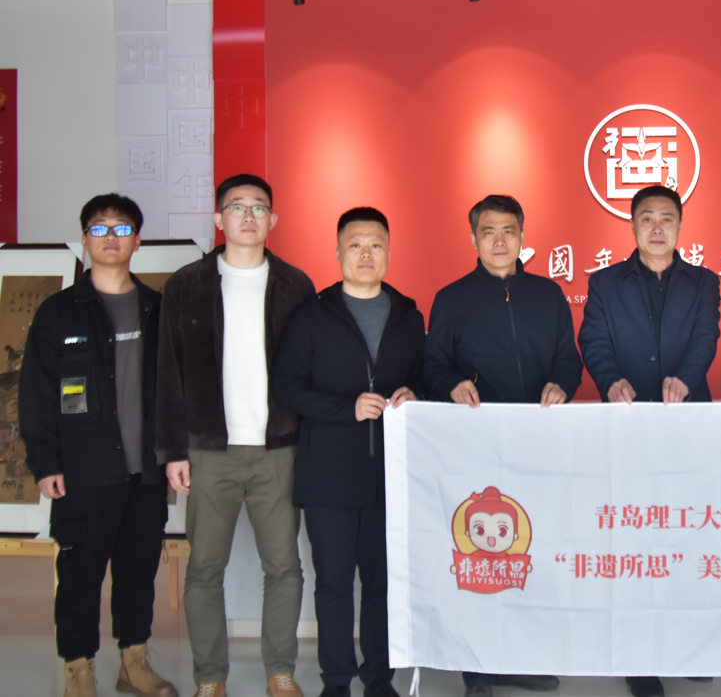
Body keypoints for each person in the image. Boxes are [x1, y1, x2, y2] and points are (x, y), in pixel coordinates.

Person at [155, 174, 315, 697]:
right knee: (204, 569)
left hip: (278, 449)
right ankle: (210, 677)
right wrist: (173, 451)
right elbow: (168, 373)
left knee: (284, 567)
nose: (248, 216)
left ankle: (280, 670)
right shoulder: (185, 286)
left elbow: (310, 371)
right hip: (209, 451)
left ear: (273, 219)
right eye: (237, 206)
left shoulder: (296, 286)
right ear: (218, 218)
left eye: (258, 207)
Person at [422, 194, 583, 697]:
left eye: (508, 230)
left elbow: (569, 359)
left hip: (539, 446)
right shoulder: (452, 298)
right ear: (473, 238)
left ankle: (519, 658)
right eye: (488, 231)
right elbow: (432, 365)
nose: (499, 240)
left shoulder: (548, 294)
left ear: (522, 237)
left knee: (531, 555)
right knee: (482, 560)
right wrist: (451, 385)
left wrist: (561, 384)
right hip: (476, 448)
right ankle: (478, 671)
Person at [21, 194, 177, 697]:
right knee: (79, 576)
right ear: (84, 240)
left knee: (138, 573)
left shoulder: (158, 309)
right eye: (100, 228)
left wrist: (176, 452)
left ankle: (134, 663)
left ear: (138, 240)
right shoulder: (58, 313)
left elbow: (176, 389)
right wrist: (45, 462)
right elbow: (35, 393)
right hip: (83, 471)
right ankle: (79, 668)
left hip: (145, 473)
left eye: (122, 228)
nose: (111, 237)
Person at [578, 185, 721, 697]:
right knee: (635, 541)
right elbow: (593, 340)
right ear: (632, 224)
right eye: (647, 218)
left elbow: (706, 337)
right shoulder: (605, 283)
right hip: (627, 426)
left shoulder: (704, 282)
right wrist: (610, 379)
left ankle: (685, 644)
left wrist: (686, 378)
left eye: (666, 218)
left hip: (688, 428)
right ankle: (640, 660)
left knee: (685, 536)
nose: (657, 228)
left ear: (680, 226)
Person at [275, 207, 424, 697]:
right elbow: (287, 385)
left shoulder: (408, 314)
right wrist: (346, 408)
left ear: (389, 251)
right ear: (337, 251)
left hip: (390, 475)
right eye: (355, 244)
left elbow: (424, 374)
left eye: (375, 244)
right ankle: (336, 680)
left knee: (382, 583)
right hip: (329, 475)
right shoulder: (312, 315)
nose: (365, 254)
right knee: (334, 584)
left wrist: (416, 392)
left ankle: (379, 676)